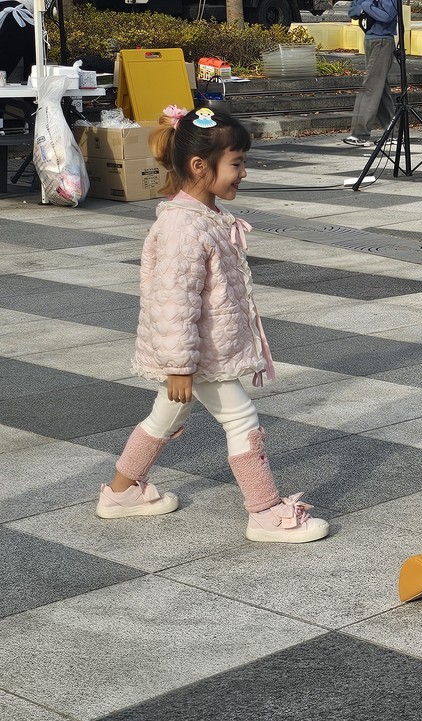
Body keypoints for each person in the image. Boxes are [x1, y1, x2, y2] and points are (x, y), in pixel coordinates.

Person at [96, 105, 329, 544]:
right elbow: (173, 303)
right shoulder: (185, 228)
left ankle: (121, 492)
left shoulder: (201, 218)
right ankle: (264, 512)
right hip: (196, 353)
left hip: (197, 350)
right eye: (237, 164)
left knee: (167, 413)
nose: (243, 172)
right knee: (242, 419)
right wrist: (179, 365)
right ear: (200, 166)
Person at [344, 0, 398, 148]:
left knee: (370, 87)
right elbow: (352, 11)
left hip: (383, 40)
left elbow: (388, 16)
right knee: (379, 88)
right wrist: (365, 8)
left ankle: (360, 134)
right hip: (370, 39)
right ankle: (393, 133)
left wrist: (366, 6)